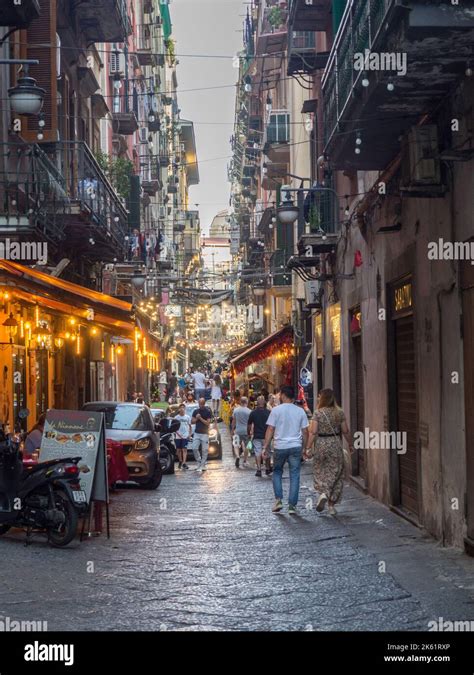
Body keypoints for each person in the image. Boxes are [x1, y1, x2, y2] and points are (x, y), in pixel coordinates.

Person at [305, 388, 354, 516]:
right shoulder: (339, 412)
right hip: (334, 444)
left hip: (321, 444)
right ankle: (331, 505)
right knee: (336, 472)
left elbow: (313, 432)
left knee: (320, 471)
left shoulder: (318, 413)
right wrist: (350, 444)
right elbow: (346, 430)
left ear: (322, 398)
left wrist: (308, 447)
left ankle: (323, 493)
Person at [263, 385, 309, 514]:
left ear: (283, 395)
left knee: (277, 472)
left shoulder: (276, 410)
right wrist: (305, 448)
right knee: (294, 475)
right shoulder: (300, 411)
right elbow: (305, 431)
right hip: (295, 446)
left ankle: (278, 500)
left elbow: (270, 429)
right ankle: (292, 506)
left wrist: (265, 446)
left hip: (280, 447)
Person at [247, 395, 271, 477]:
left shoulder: (253, 413)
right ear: (264, 402)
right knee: (267, 452)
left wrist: (249, 433)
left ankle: (259, 469)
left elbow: (249, 424)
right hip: (266, 436)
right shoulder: (268, 412)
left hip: (257, 436)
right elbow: (272, 425)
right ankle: (267, 468)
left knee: (258, 452)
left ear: (257, 403)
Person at [191, 397, 213, 472]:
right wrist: (197, 418)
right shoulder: (195, 411)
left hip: (205, 433)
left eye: (202, 404)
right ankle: (199, 461)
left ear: (204, 404)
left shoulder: (208, 412)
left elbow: (208, 423)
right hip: (197, 433)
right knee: (194, 448)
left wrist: (200, 418)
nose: (201, 405)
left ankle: (203, 465)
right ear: (198, 404)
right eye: (200, 404)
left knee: (205, 450)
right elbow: (192, 421)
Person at [232, 396, 251, 469]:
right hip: (246, 431)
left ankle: (237, 456)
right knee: (248, 446)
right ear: (246, 402)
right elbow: (251, 423)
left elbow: (234, 421)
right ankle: (245, 460)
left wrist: (232, 430)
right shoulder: (249, 411)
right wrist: (251, 431)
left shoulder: (236, 410)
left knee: (236, 444)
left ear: (240, 402)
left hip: (238, 430)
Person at [174, 403, 191, 470]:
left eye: (183, 407)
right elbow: (174, 428)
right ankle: (180, 461)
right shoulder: (176, 417)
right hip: (178, 435)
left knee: (184, 449)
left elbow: (190, 427)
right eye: (181, 407)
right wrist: (178, 434)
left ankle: (184, 463)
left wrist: (189, 434)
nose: (182, 409)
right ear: (179, 409)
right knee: (178, 450)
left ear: (185, 409)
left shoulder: (187, 417)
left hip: (185, 435)